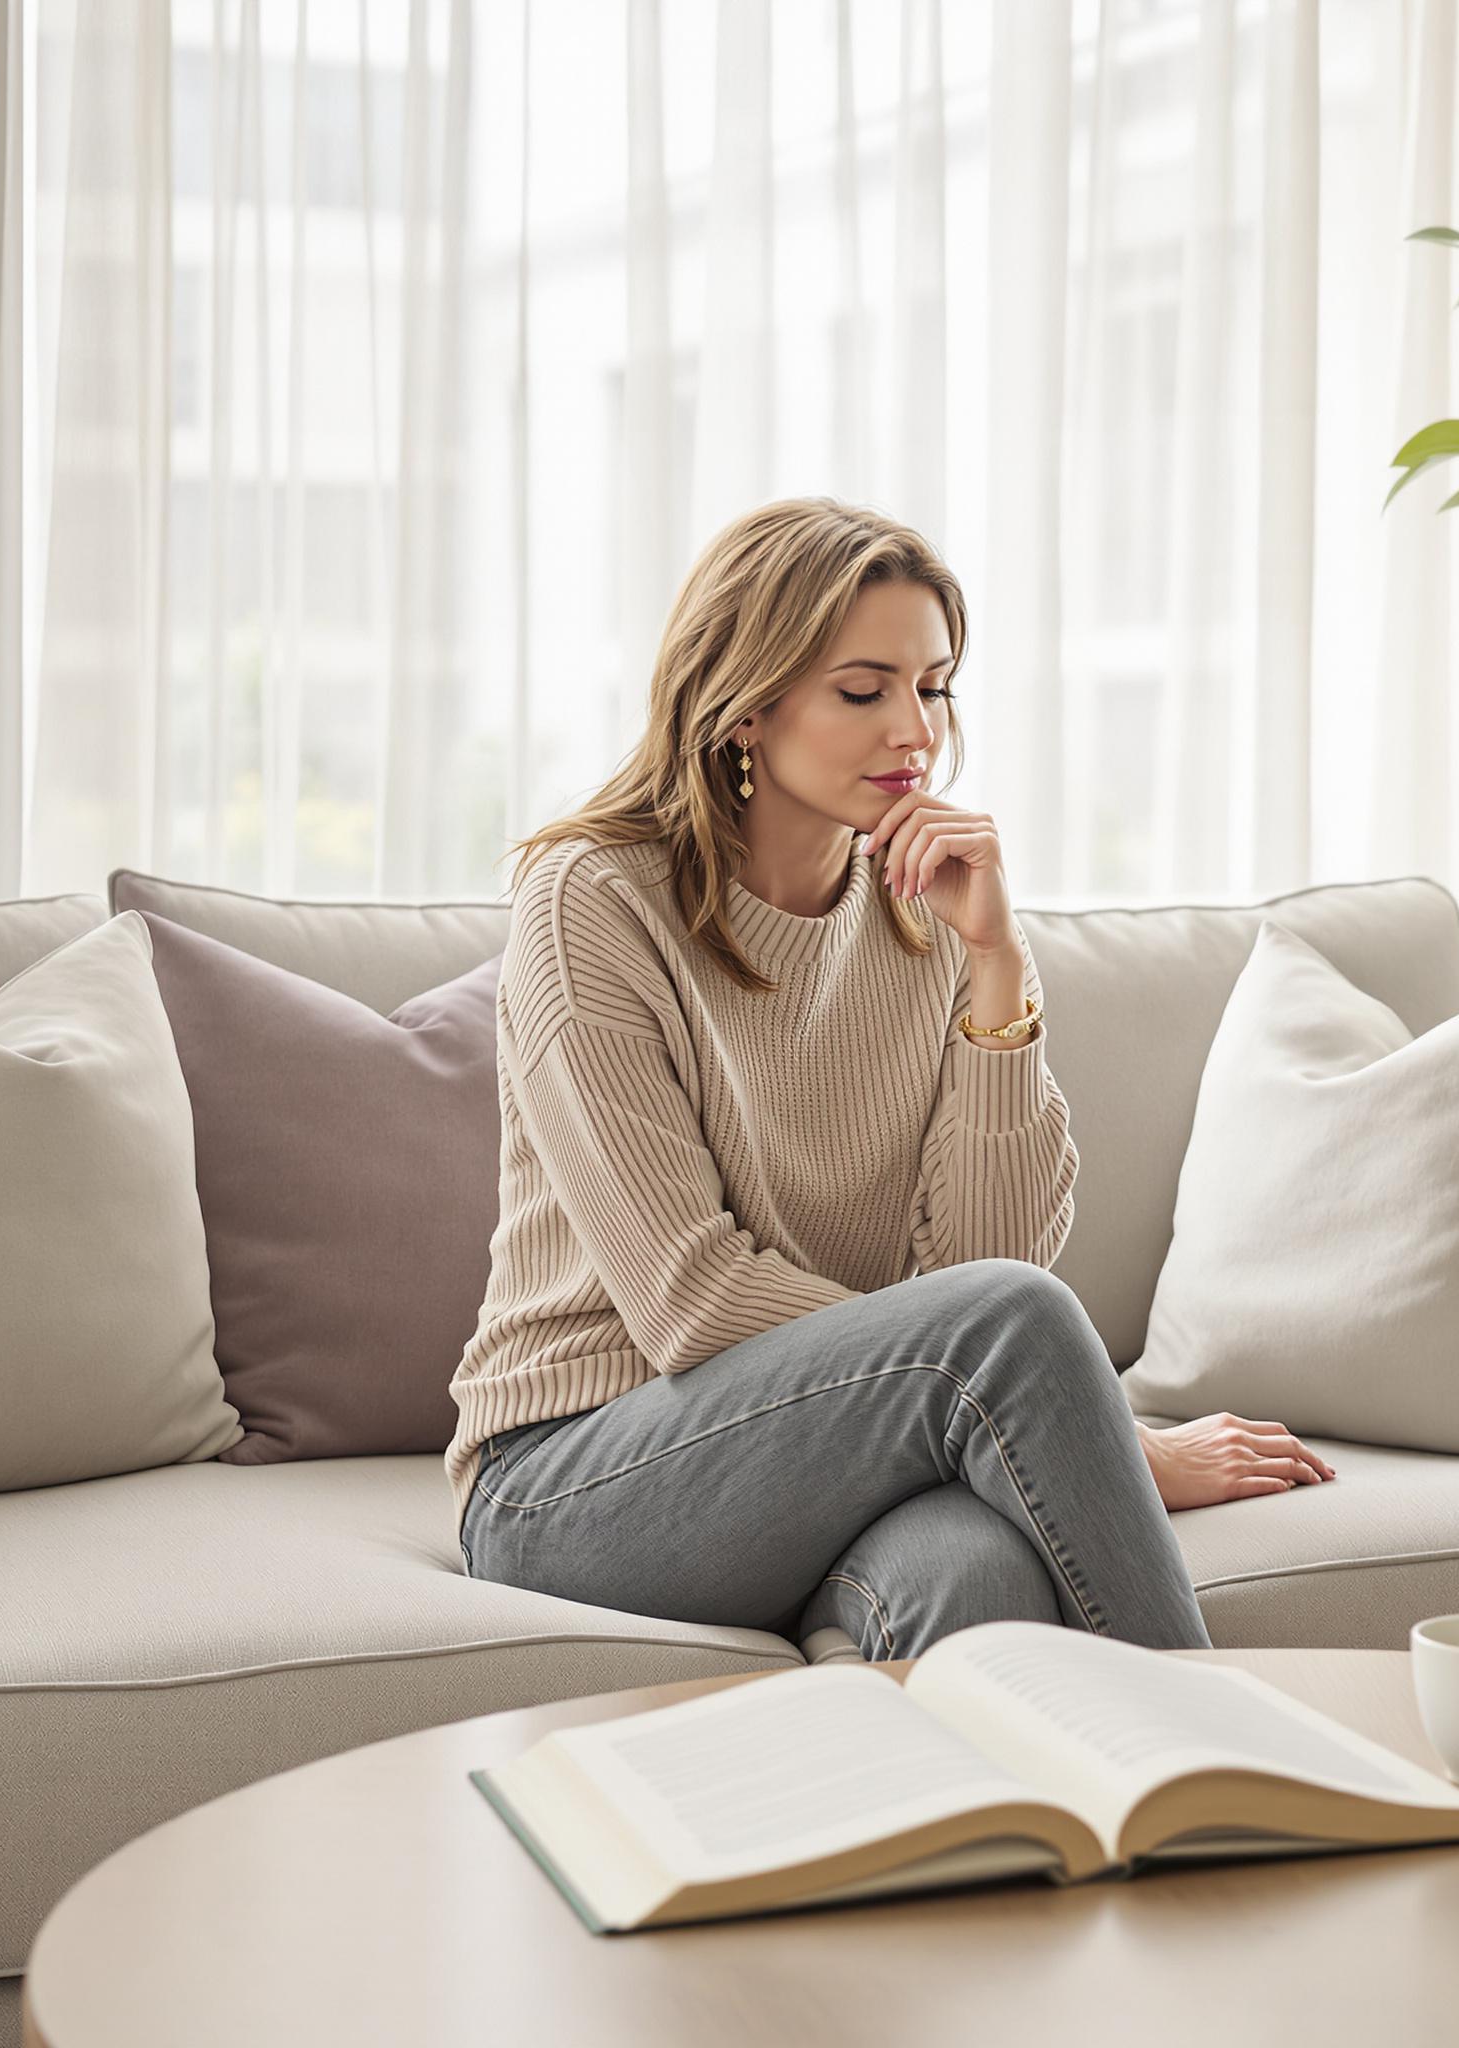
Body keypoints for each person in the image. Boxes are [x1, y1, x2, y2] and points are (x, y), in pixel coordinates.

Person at [448, 496, 1334, 1661]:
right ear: (744, 708)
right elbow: (692, 1302)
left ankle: (1017, 1830)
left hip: (832, 1456)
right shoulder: (593, 901)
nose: (912, 728)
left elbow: (985, 1258)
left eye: (935, 685)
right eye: (863, 690)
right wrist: (1115, 1443)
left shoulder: (921, 917)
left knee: (976, 1583)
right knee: (1006, 1330)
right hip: (575, 1475)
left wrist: (994, 967)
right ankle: (1218, 1759)